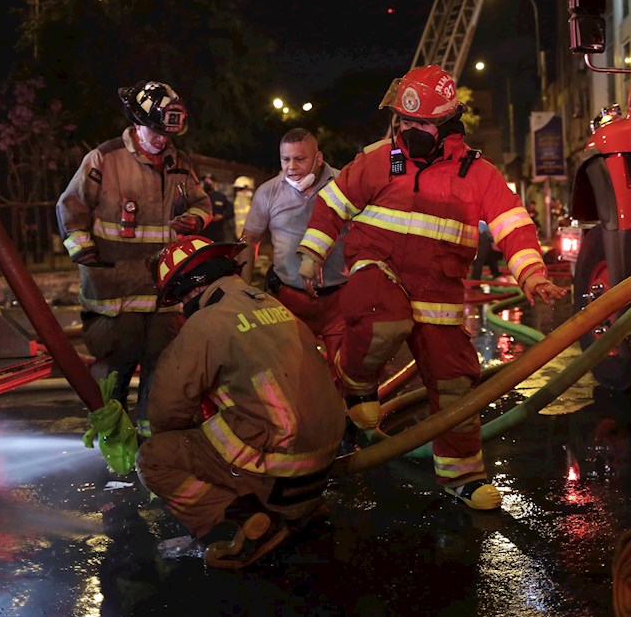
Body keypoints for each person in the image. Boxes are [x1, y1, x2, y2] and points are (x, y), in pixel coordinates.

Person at [296, 64, 568, 511]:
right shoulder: (381, 159)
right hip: (377, 269)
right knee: (385, 323)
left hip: (439, 296)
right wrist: (312, 253)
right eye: (405, 121)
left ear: (446, 123)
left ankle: (462, 478)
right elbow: (333, 204)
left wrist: (531, 273)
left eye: (420, 122)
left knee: (457, 387)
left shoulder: (477, 174)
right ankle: (357, 381)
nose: (409, 130)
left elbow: (513, 225)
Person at [135, 235, 345, 570]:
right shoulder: (273, 305)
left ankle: (246, 525)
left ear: (185, 291)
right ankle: (299, 509)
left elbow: (165, 414)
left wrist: (183, 436)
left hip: (280, 461)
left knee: (154, 458)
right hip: (326, 455)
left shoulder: (205, 323)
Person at [56, 80, 212, 438]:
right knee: (113, 371)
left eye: (168, 132)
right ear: (138, 122)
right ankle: (112, 439)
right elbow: (71, 207)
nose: (162, 139)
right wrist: (84, 252)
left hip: (162, 295)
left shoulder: (178, 163)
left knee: (162, 370)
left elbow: (201, 203)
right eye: (156, 130)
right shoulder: (104, 159)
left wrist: (195, 220)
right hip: (115, 292)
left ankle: (152, 445)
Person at [238, 128, 347, 374]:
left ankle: (340, 413)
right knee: (290, 370)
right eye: (285, 159)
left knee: (343, 372)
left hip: (338, 302)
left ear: (318, 158)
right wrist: (243, 289)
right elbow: (249, 239)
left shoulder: (344, 185)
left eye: (300, 159)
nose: (291, 167)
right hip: (288, 300)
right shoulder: (268, 192)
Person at [199, 174, 235, 243]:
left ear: (215, 183)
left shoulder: (220, 197)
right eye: (205, 181)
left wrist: (222, 216)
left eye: (209, 181)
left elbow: (231, 210)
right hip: (203, 232)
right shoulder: (199, 196)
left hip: (218, 233)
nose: (207, 183)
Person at [232, 175, 256, 240]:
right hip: (245, 232)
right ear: (245, 188)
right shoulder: (243, 199)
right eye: (249, 189)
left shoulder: (240, 198)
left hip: (241, 231)